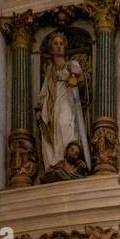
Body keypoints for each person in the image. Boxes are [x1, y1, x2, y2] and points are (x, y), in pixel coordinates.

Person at [35, 32, 91, 176]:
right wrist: (40, 109)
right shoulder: (50, 71)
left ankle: (68, 160)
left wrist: (77, 76)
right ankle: (56, 162)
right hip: (52, 103)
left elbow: (82, 84)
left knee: (64, 123)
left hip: (67, 99)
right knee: (52, 130)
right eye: (56, 44)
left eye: (61, 44)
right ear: (51, 49)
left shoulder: (71, 65)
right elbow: (43, 92)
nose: (59, 47)